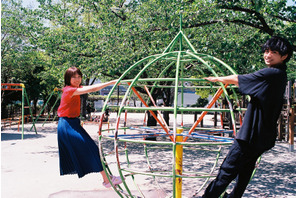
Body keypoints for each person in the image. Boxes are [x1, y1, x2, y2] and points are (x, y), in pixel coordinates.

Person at [199, 36, 293, 198]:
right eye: (266, 51)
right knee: (244, 172)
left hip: (249, 137)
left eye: (273, 52)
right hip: (262, 137)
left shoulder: (271, 73)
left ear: (284, 56)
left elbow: (239, 79)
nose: (267, 55)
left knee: (226, 172)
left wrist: (217, 79)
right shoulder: (281, 75)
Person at [57, 66, 123, 188]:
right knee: (91, 149)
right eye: (74, 77)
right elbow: (94, 88)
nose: (77, 79)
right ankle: (108, 180)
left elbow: (88, 88)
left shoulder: (76, 88)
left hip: (73, 123)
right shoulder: (69, 90)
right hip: (67, 125)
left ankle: (108, 179)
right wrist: (112, 82)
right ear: (68, 78)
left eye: (79, 77)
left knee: (93, 149)